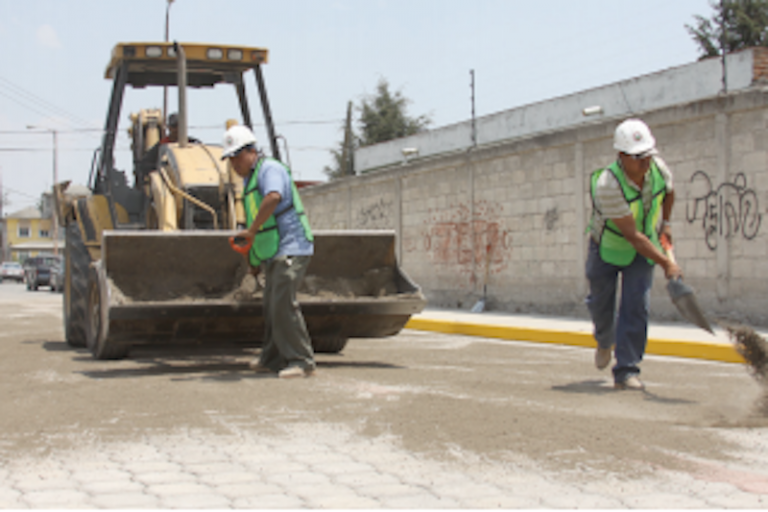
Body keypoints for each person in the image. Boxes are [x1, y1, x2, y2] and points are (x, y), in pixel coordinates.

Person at [586, 118, 681, 390]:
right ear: (621, 156)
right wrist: (666, 263)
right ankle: (605, 340)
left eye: (647, 155)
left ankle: (627, 370)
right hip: (608, 247)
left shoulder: (658, 169)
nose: (645, 162)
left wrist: (667, 223)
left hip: (643, 249)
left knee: (636, 305)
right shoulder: (608, 184)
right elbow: (631, 235)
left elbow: (670, 192)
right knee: (600, 304)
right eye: (638, 157)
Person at [221, 125, 316, 379]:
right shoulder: (249, 181)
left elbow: (273, 198)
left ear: (252, 151)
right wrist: (253, 260)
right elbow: (258, 223)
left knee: (283, 304)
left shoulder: (269, 169)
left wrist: (250, 231)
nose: (233, 163)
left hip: (292, 246)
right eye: (230, 158)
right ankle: (272, 358)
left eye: (236, 157)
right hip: (275, 249)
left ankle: (302, 361)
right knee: (272, 305)